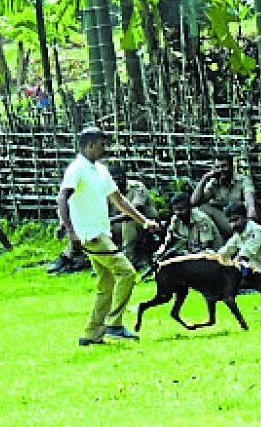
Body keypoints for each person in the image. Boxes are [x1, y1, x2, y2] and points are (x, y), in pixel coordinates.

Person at [58, 127, 160, 346]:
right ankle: (114, 323)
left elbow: (119, 200)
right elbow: (63, 198)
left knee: (106, 283)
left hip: (100, 231)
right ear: (90, 145)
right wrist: (70, 229)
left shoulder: (101, 170)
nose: (105, 148)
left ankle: (92, 333)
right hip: (90, 234)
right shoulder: (76, 170)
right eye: (102, 144)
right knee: (127, 272)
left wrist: (144, 221)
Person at [191, 155, 256, 239]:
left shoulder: (242, 180)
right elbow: (194, 202)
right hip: (222, 218)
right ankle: (208, 240)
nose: (221, 170)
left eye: (224, 166)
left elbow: (249, 200)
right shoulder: (214, 182)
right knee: (200, 209)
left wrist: (250, 217)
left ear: (231, 167)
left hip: (237, 221)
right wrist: (204, 178)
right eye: (217, 167)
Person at [108, 164, 158, 268]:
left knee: (129, 220)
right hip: (118, 223)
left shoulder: (137, 187)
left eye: (119, 179)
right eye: (113, 180)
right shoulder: (107, 190)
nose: (116, 182)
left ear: (125, 177)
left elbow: (135, 210)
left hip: (145, 223)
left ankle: (129, 259)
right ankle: (69, 257)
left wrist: (110, 220)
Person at [217, 202, 261, 283]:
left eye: (236, 220)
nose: (233, 225)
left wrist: (239, 275)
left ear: (245, 217)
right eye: (230, 221)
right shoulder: (239, 233)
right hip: (253, 271)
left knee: (238, 269)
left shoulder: (256, 231)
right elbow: (224, 252)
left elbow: (243, 258)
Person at [157, 193, 221, 257]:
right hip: (194, 252)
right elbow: (168, 240)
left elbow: (206, 246)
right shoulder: (175, 219)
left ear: (189, 207)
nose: (178, 213)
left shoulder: (201, 219)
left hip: (213, 253)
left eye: (181, 209)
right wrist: (161, 252)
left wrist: (184, 253)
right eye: (175, 209)